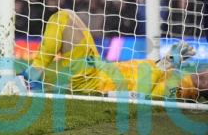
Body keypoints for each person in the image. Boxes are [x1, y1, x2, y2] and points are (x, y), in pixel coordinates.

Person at [21, 9, 207, 101]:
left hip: (94, 81)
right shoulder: (182, 78)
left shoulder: (179, 90)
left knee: (63, 19)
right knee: (66, 16)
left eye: (206, 79)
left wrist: (170, 60)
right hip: (99, 70)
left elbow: (142, 92)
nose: (205, 74)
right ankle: (33, 77)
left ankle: (31, 78)